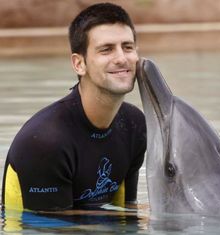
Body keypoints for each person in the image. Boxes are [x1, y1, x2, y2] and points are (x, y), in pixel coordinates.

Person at [1, 2, 146, 211]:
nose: (122, 58)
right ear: (79, 64)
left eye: (128, 47)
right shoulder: (45, 141)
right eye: (106, 50)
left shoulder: (135, 125)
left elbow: (126, 212)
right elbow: (55, 227)